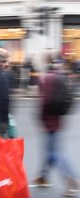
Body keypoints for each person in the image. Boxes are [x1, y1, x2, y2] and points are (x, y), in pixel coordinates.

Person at [33, 60, 79, 197]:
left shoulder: (46, 79)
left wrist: (40, 117)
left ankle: (71, 178)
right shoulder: (61, 78)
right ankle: (43, 176)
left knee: (54, 153)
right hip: (58, 119)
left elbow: (45, 101)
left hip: (49, 121)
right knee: (49, 149)